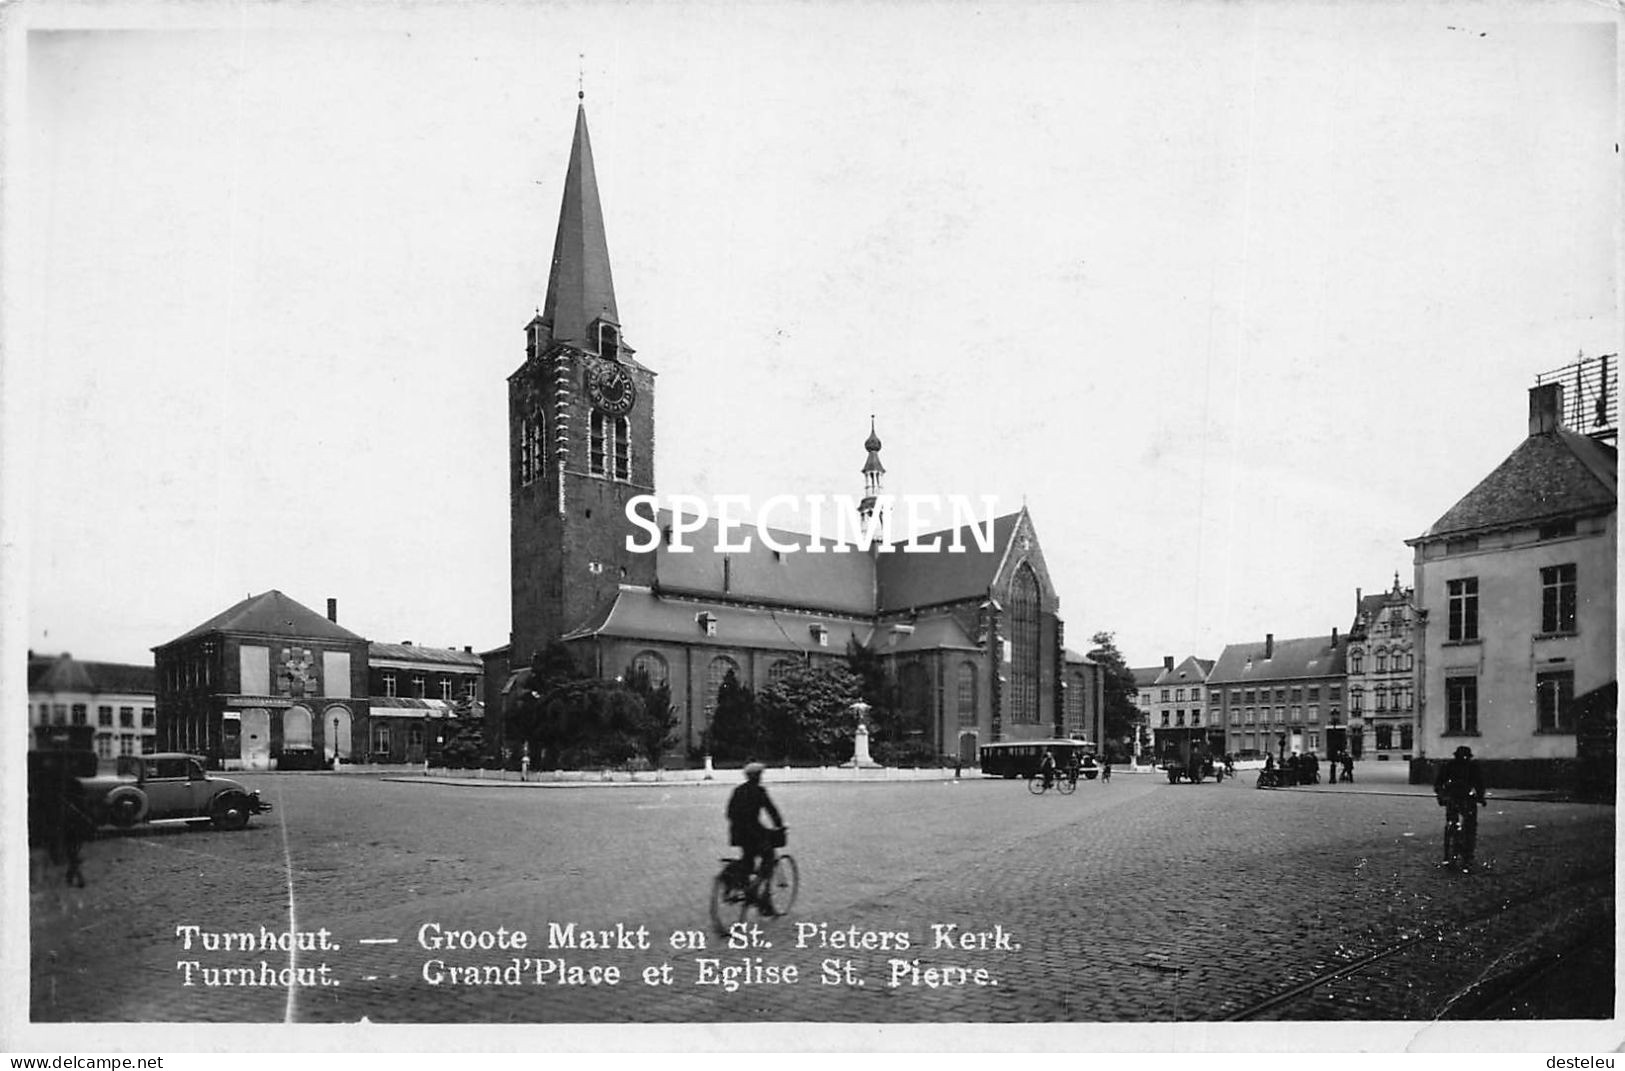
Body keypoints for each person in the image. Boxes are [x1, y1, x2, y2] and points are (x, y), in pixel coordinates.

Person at [727, 763, 786, 911]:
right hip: (753, 832)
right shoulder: (759, 791)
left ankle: (744, 886)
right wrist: (779, 825)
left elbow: (729, 813)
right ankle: (761, 898)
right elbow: (772, 810)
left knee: (748, 860)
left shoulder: (738, 790)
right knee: (768, 857)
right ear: (758, 776)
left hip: (738, 833)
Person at [1434, 745, 1486, 868]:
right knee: (1463, 825)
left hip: (1461, 798)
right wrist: (1480, 797)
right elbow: (1439, 783)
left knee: (1465, 825)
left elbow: (1479, 784)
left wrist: (1480, 797)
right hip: (1456, 798)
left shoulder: (1456, 766)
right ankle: (1461, 853)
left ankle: (1458, 852)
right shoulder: (1460, 766)